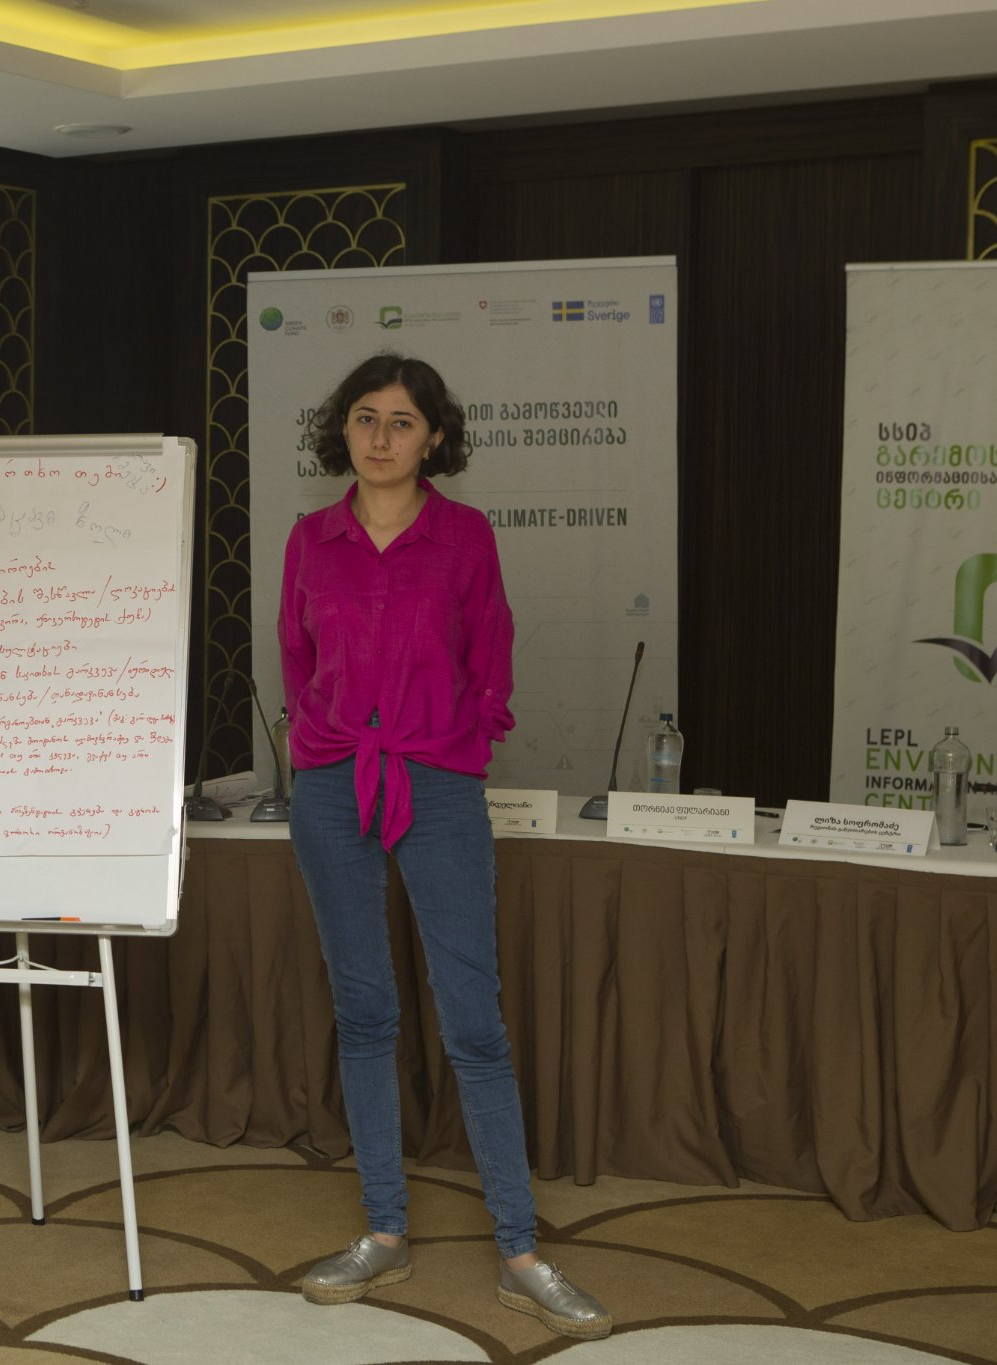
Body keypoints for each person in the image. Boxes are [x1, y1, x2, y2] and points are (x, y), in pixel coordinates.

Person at [279, 352, 611, 1339]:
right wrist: (323, 747)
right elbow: (295, 659)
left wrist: (455, 743)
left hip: (435, 782)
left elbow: (490, 656)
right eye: (364, 417)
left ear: (433, 438)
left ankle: (519, 1250)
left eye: (401, 421)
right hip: (333, 785)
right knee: (364, 1012)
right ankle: (383, 1230)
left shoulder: (464, 536)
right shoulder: (309, 539)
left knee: (473, 1020)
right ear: (341, 430)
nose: (379, 437)